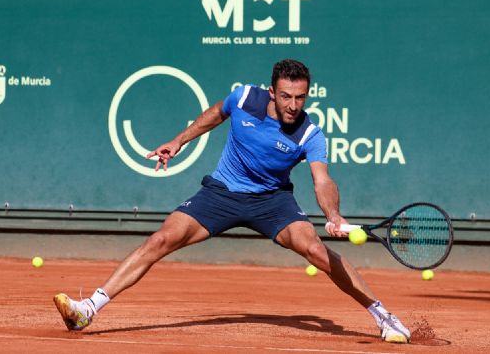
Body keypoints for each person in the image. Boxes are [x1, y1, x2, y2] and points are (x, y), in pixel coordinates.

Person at [53, 59, 411, 343]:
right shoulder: (244, 98)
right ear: (272, 91)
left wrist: (332, 214)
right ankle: (89, 308)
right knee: (161, 239)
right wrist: (179, 141)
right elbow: (216, 113)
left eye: (301, 97)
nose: (293, 105)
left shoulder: (309, 133)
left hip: (272, 202)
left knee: (316, 250)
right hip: (221, 193)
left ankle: (384, 316)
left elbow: (323, 180)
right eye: (286, 96)